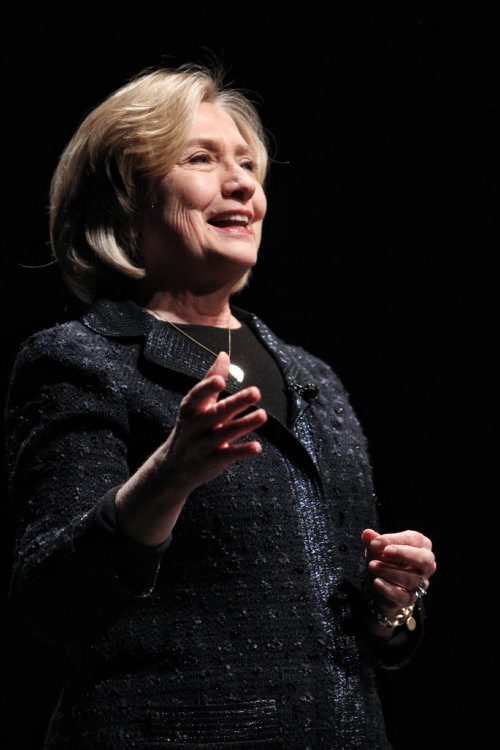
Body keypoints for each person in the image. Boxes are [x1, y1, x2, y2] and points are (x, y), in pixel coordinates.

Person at [4, 64, 436, 749]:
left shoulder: (313, 377)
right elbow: (53, 602)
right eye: (201, 159)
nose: (243, 185)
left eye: (248, 165)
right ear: (124, 201)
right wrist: (169, 474)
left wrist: (393, 607)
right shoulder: (82, 361)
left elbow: (353, 637)